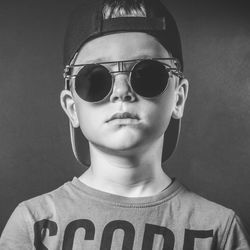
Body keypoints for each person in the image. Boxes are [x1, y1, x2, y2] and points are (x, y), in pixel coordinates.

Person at [1, 0, 249, 249]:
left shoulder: (218, 230)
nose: (121, 91)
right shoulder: (34, 225)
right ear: (71, 107)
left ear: (179, 97)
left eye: (147, 74)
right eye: (95, 78)